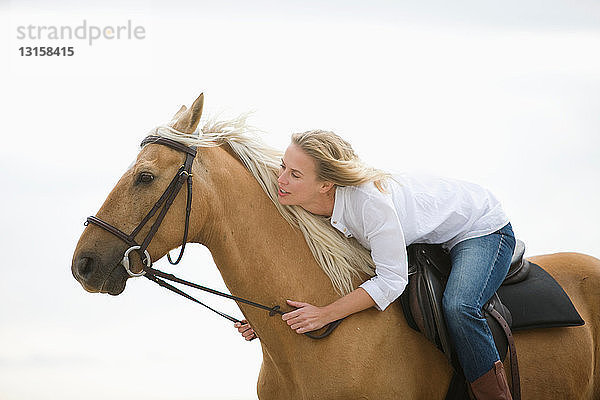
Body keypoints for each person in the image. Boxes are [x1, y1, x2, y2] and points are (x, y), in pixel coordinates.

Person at [234, 129, 516, 400]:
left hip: (480, 228)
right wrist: (268, 319)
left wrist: (325, 314)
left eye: (294, 174)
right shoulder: (302, 198)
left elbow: (392, 281)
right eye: (283, 167)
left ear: (325, 184)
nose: (280, 179)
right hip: (431, 231)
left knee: (459, 306)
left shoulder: (370, 205)